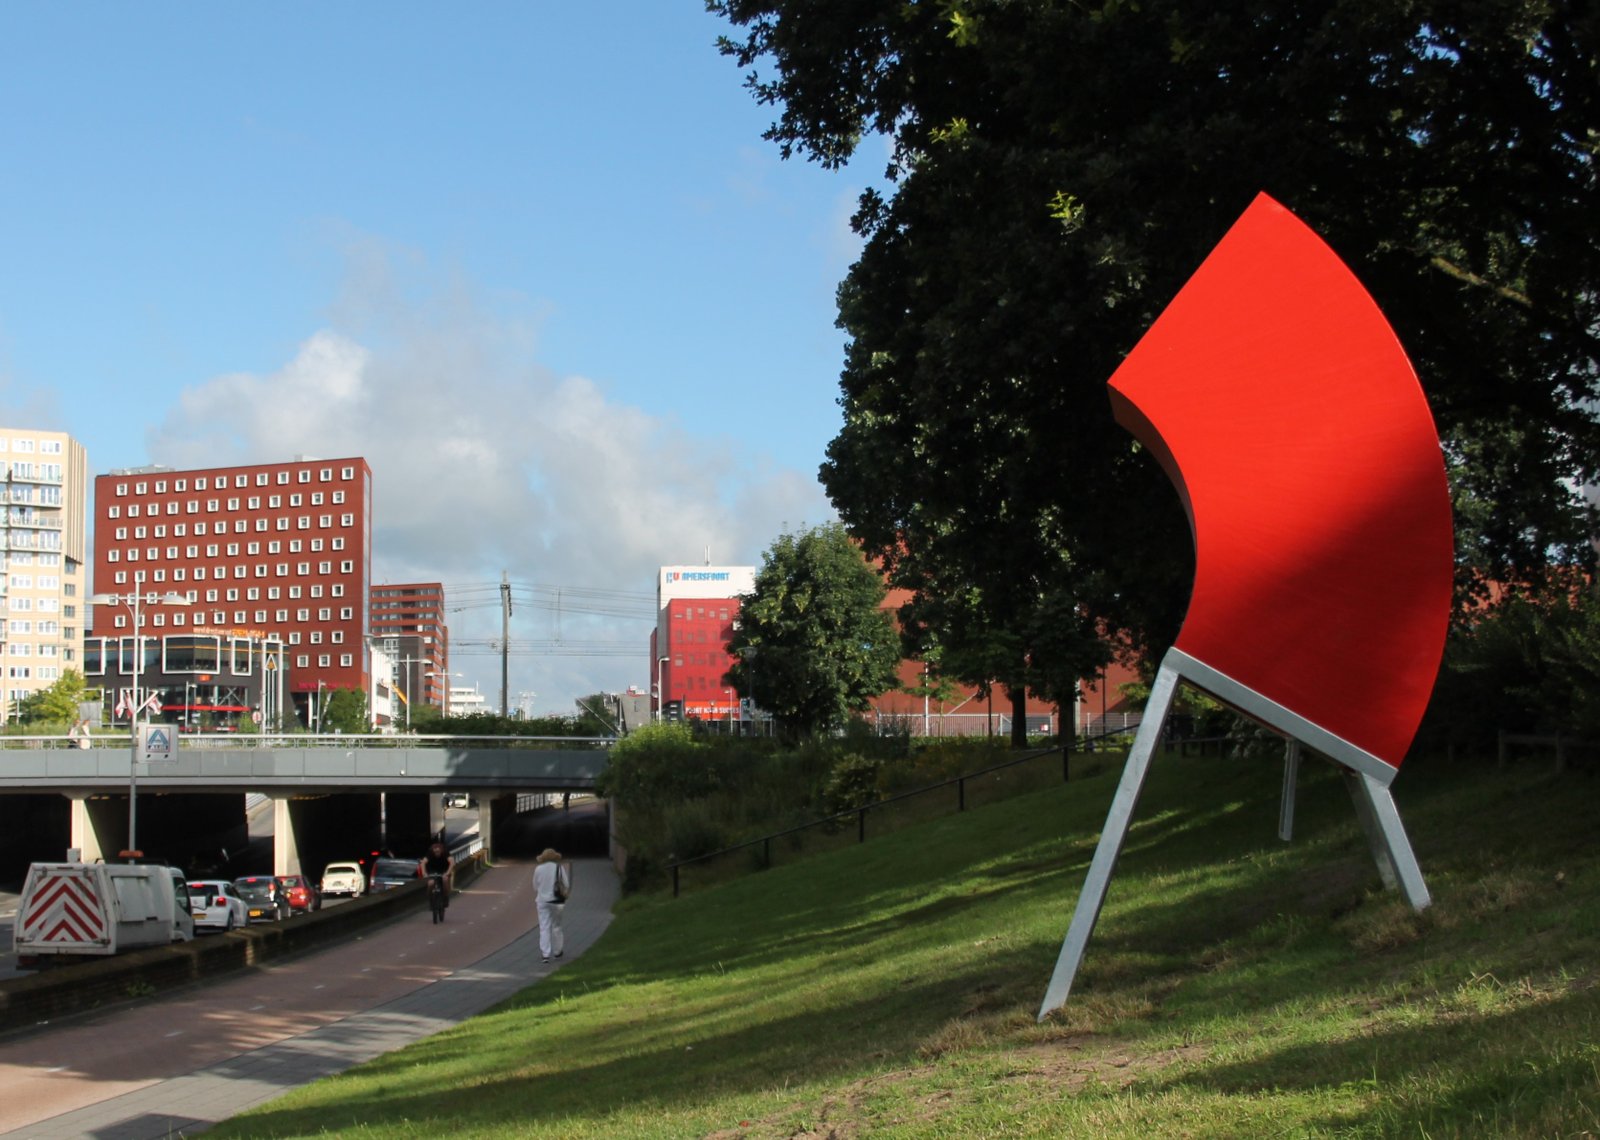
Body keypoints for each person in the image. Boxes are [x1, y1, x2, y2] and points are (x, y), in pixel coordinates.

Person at [533, 847, 571, 964]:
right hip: (557, 901)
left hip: (542, 901)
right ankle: (557, 951)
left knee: (544, 927)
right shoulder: (559, 868)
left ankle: (545, 954)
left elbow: (535, 886)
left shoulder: (538, 869)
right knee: (557, 926)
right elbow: (566, 884)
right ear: (555, 857)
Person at [417, 839, 454, 910]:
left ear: (441, 850)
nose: (437, 853)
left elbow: (452, 862)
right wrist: (424, 873)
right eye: (435, 852)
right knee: (430, 884)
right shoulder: (430, 853)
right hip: (432, 870)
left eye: (438, 852)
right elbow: (423, 863)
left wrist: (447, 872)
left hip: (444, 869)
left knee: (445, 880)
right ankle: (431, 900)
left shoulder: (445, 852)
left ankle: (445, 897)